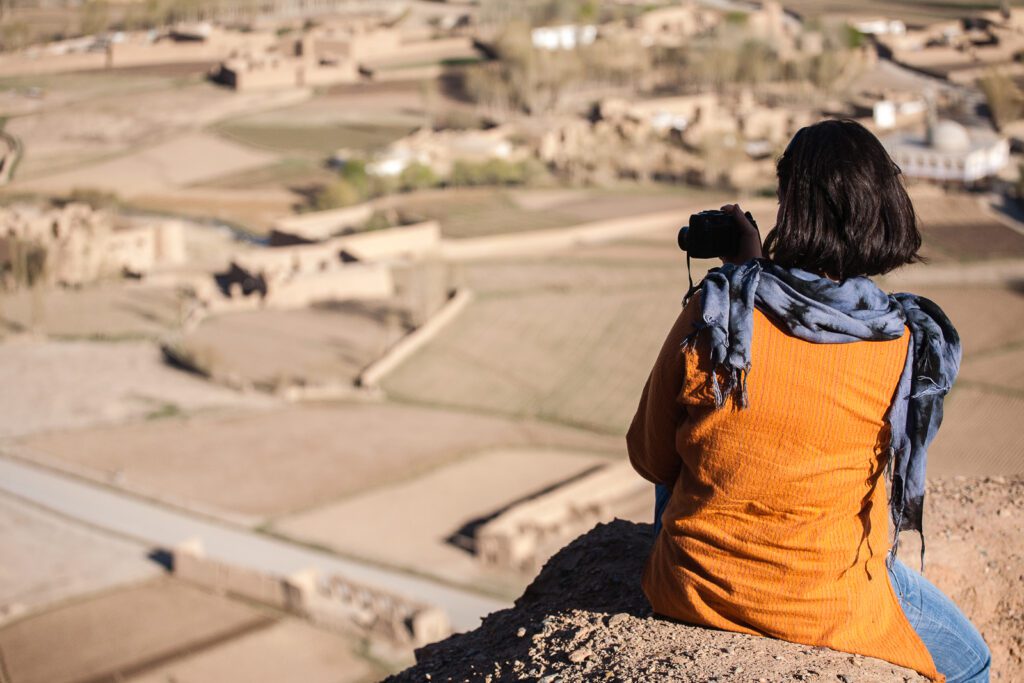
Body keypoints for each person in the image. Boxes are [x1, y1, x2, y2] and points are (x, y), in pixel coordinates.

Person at [626, 119, 990, 683]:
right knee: (974, 667)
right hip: (829, 602)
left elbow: (650, 459)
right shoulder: (905, 343)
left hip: (693, 590)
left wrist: (743, 277)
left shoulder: (719, 314)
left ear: (788, 205)